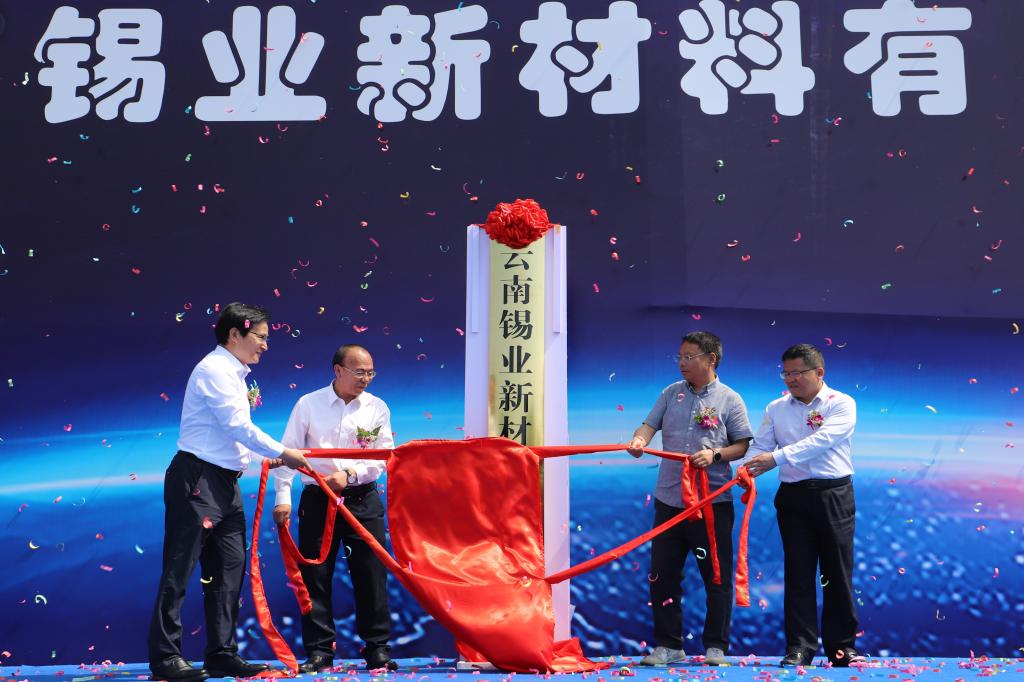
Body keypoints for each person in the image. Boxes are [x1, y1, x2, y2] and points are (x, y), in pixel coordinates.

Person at [148, 302, 310, 681]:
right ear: (235, 334)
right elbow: (237, 425)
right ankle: (165, 657)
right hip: (197, 480)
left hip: (224, 483)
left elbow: (229, 437)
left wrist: (265, 459)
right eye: (261, 337)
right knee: (180, 568)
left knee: (228, 570)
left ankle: (221, 652)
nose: (266, 345)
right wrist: (284, 452)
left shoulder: (235, 373)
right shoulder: (214, 370)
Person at [628, 331, 752, 667]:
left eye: (689, 356)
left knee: (715, 575)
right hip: (670, 500)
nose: (682, 362)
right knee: (662, 575)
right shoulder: (671, 393)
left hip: (711, 502)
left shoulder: (730, 399)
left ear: (711, 359)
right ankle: (669, 645)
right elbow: (647, 425)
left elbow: (742, 445)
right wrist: (639, 441)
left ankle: (716, 646)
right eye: (679, 357)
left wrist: (715, 454)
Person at [272, 344, 398, 672]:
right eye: (359, 372)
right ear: (338, 370)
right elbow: (288, 452)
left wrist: (350, 474)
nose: (366, 379)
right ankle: (319, 652)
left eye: (370, 372)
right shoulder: (308, 404)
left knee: (371, 574)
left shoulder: (377, 407)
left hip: (362, 499)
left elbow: (383, 456)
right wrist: (283, 496)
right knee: (315, 576)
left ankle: (377, 649)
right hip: (317, 499)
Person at [742, 344, 867, 668]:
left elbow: (821, 441)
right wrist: (746, 469)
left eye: (797, 372)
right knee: (798, 572)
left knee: (837, 572)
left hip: (833, 494)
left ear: (819, 372)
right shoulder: (776, 408)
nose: (791, 379)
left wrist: (774, 459)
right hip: (793, 496)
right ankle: (800, 647)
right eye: (786, 373)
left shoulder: (842, 403)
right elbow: (760, 446)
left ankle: (842, 648)